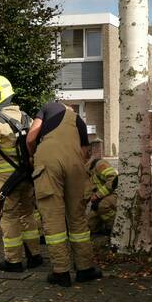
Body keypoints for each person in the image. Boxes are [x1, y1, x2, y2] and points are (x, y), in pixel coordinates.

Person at [27, 101, 101, 287]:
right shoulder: (79, 121)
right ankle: (84, 269)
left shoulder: (48, 108)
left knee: (53, 218)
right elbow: (84, 152)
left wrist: (32, 155)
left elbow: (31, 137)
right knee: (77, 216)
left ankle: (61, 272)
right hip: (76, 164)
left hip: (48, 162)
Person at [0, 75, 42, 272]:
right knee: (28, 215)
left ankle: (13, 261)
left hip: (6, 181)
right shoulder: (26, 117)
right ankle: (34, 256)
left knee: (9, 218)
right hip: (26, 177)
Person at [84, 138, 118, 234]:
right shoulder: (86, 171)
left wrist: (98, 195)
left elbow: (114, 180)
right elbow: (85, 196)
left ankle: (114, 227)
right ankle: (103, 223)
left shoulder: (99, 164)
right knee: (88, 228)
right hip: (99, 202)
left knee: (102, 205)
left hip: (115, 196)